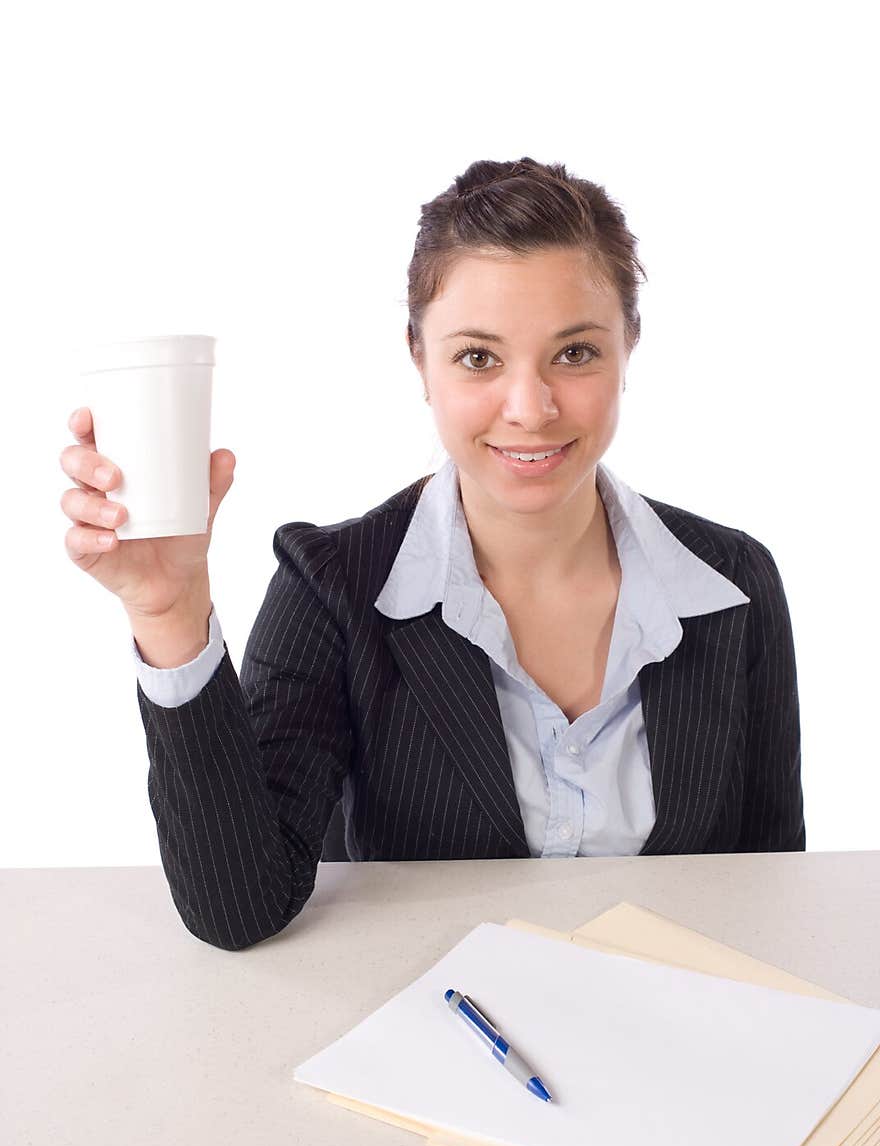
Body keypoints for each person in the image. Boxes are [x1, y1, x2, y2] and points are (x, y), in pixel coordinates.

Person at [60, 156, 805, 952]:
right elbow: (240, 911)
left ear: (629, 348)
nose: (531, 408)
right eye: (479, 358)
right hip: (431, 1041)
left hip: (672, 1047)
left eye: (576, 353)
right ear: (420, 360)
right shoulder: (333, 588)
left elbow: (768, 896)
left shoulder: (734, 585)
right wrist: (167, 612)